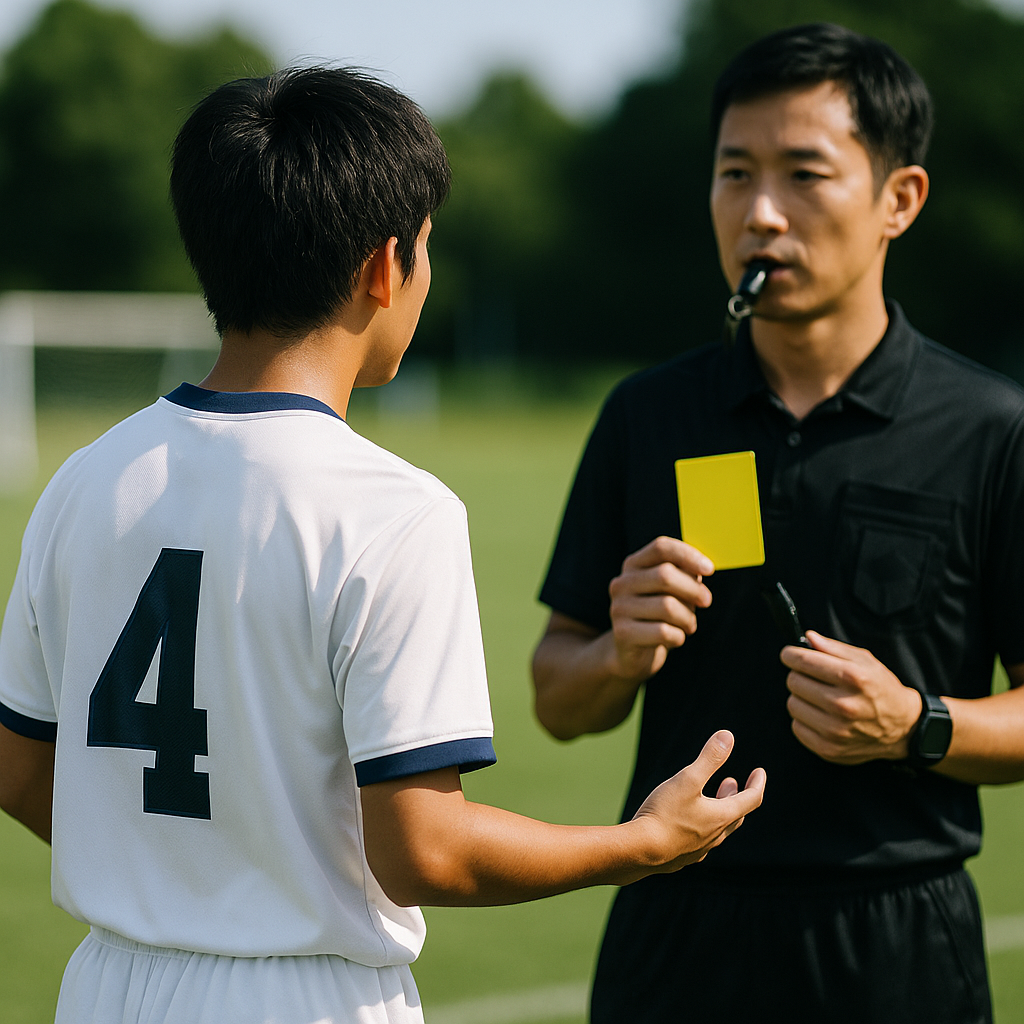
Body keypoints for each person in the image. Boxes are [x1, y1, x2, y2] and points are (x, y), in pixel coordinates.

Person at [0, 67, 765, 1024]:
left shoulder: (81, 481)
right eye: (427, 249)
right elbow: (425, 851)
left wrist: (172, 875)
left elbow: (20, 768)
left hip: (104, 986)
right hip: (305, 1000)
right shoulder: (395, 511)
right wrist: (643, 843)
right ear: (382, 266)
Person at [533, 22, 1024, 1024]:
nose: (760, 214)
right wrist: (617, 656)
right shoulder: (649, 414)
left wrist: (915, 724)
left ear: (900, 199)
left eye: (804, 174)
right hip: (671, 928)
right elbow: (556, 694)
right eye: (733, 175)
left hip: (896, 944)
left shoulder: (990, 429)